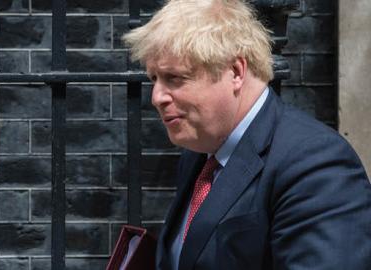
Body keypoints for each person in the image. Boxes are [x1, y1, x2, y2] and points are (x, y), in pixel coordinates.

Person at [122, 0, 371, 269]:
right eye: (154, 79)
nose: (156, 97)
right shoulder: (202, 152)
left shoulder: (316, 165)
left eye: (175, 78)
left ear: (236, 71)